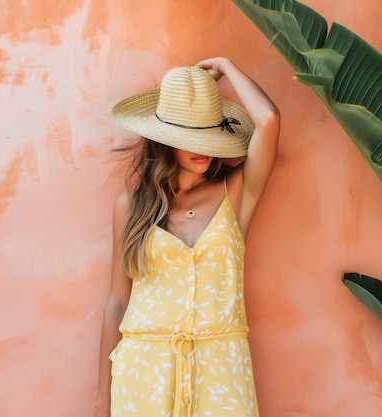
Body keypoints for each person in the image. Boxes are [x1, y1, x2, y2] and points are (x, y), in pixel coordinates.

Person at [94, 57, 280, 417]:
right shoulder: (130, 206)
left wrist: (226, 66)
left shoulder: (237, 191)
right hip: (144, 372)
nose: (202, 147)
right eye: (189, 136)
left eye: (209, 133)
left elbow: (269, 120)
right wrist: (103, 399)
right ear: (165, 139)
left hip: (222, 369)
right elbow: (117, 302)